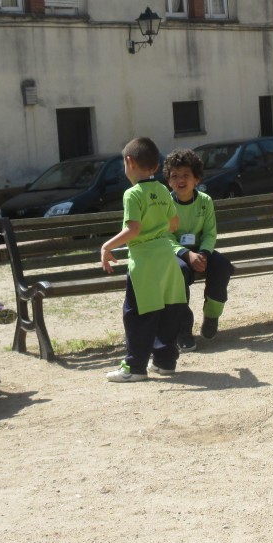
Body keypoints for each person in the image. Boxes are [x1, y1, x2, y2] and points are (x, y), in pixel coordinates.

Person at [100, 137, 187, 382]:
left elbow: (133, 229)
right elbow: (174, 223)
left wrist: (107, 246)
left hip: (144, 263)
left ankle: (135, 367)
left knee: (137, 314)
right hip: (167, 259)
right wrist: (157, 230)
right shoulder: (162, 190)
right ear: (156, 167)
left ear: (129, 162)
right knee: (168, 309)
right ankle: (165, 362)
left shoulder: (132, 194)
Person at [163, 148, 234, 350]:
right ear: (168, 181)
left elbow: (210, 233)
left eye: (186, 175)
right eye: (175, 176)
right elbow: (165, 236)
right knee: (178, 272)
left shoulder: (205, 201)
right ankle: (183, 330)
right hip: (176, 253)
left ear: (196, 179)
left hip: (201, 251)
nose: (180, 180)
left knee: (223, 266)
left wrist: (203, 254)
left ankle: (211, 316)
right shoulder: (165, 204)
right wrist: (187, 254)